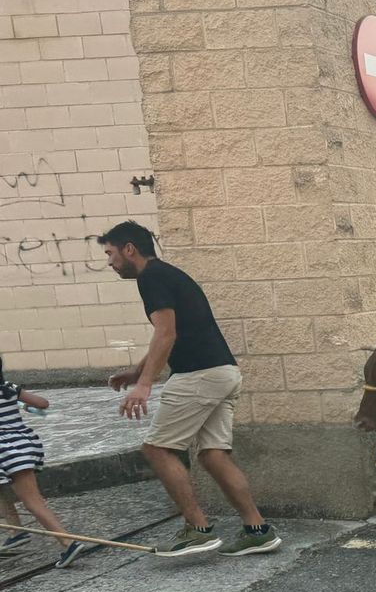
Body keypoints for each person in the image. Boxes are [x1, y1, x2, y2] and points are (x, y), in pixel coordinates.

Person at [100, 221, 281, 557]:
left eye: (110, 253)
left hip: (197, 375)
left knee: (157, 449)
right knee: (212, 455)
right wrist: (137, 370)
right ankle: (258, 530)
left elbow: (166, 334)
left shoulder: (151, 277)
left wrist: (143, 385)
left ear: (129, 249)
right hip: (223, 372)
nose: (109, 262)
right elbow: (173, 331)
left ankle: (198, 529)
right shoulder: (170, 274)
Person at [0, 358, 86, 568]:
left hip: (5, 450)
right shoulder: (9, 388)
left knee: (32, 502)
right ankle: (16, 531)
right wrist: (17, 402)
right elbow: (42, 404)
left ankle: (68, 543)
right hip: (23, 444)